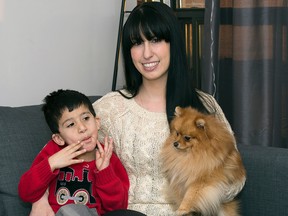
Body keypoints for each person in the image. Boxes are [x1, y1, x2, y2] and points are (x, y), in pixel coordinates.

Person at [31, 2, 245, 215]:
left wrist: (201, 191)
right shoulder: (112, 107)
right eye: (137, 43)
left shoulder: (203, 106)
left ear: (173, 44)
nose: (146, 53)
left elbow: (236, 177)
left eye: (155, 40)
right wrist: (39, 201)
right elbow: (55, 151)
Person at [18, 89, 129, 216]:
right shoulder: (53, 153)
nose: (82, 128)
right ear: (59, 139)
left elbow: (119, 209)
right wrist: (51, 163)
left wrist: (105, 172)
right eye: (71, 124)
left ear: (97, 122)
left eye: (86, 118)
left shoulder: (107, 157)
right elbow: (26, 193)